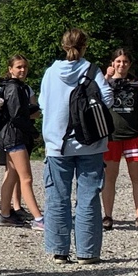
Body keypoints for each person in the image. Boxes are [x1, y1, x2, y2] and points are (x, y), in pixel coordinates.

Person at [38, 29, 112, 263]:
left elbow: (41, 103)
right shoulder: (92, 70)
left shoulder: (50, 73)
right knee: (88, 197)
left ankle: (59, 251)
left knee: (58, 197)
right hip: (91, 143)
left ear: (63, 46)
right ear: (85, 46)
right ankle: (87, 253)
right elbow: (108, 99)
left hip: (57, 144)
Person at [100, 48, 138, 232]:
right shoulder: (105, 83)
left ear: (129, 64)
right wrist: (106, 78)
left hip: (134, 136)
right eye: (118, 62)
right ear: (112, 63)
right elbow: (97, 97)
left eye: (125, 62)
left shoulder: (134, 83)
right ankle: (107, 215)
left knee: (137, 177)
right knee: (109, 178)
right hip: (112, 136)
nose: (121, 65)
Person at [0, 57, 42, 229]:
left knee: (11, 175)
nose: (23, 70)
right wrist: (34, 132)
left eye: (25, 67)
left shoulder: (10, 86)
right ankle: (38, 219)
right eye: (19, 67)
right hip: (14, 136)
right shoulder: (14, 88)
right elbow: (17, 116)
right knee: (26, 178)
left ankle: (5, 214)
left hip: (8, 135)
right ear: (10, 69)